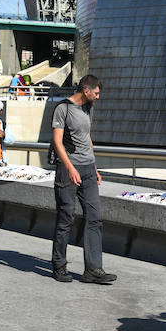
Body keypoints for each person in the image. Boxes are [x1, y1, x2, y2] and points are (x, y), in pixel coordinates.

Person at [50, 74, 116, 285]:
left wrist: (94, 167)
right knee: (66, 218)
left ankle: (93, 270)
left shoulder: (88, 108)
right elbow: (57, 142)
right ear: (86, 90)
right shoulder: (63, 108)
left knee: (95, 217)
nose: (98, 96)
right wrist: (70, 168)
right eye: (96, 93)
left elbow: (87, 139)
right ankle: (59, 265)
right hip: (67, 169)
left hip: (87, 170)